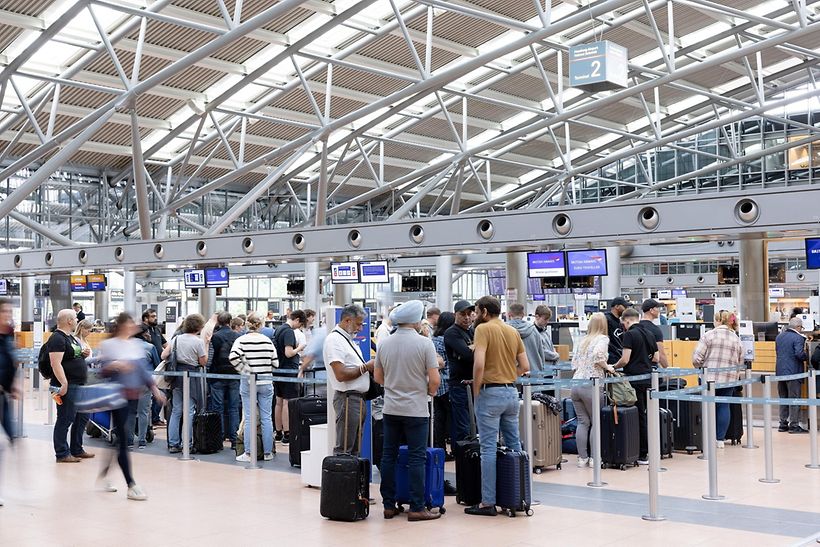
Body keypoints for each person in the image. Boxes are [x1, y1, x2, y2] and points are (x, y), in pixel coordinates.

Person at [374, 300, 441, 522]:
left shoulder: (384, 343)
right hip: (416, 410)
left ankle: (388, 505)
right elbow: (434, 380)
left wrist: (395, 386)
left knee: (388, 456)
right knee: (416, 457)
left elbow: (378, 377)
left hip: (391, 408)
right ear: (416, 321)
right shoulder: (424, 344)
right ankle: (417, 507)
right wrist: (426, 391)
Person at [466, 296, 529, 517]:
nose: (475, 315)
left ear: (484, 311)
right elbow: (525, 366)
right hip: (511, 392)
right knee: (514, 445)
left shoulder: (483, 330)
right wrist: (508, 374)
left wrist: (477, 389)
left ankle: (488, 502)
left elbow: (479, 364)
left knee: (488, 449)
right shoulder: (512, 331)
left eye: (476, 311)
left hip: (490, 393)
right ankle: (519, 497)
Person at [95, 313, 166, 500]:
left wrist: (155, 389)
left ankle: (104, 475)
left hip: (133, 397)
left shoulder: (135, 345)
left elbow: (143, 371)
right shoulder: (110, 345)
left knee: (120, 438)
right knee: (123, 439)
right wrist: (114, 366)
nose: (133, 326)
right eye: (129, 323)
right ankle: (131, 484)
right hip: (116, 396)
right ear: (121, 326)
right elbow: (101, 372)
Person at [323, 305, 374, 455]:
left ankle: (352, 471)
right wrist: (365, 367)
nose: (360, 328)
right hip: (348, 399)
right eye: (358, 324)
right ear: (347, 320)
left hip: (356, 399)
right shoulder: (334, 340)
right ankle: (341, 471)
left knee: (354, 448)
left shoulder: (347, 340)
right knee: (345, 448)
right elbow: (340, 374)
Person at [692, 310, 744, 448]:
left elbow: (696, 358)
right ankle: (719, 439)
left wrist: (700, 366)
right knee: (723, 406)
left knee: (707, 406)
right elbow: (741, 361)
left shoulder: (708, 335)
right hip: (729, 379)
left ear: (719, 321)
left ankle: (707, 437)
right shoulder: (736, 338)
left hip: (708, 378)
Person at [613, 307, 658, 465]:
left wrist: (613, 367)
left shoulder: (629, 334)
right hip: (647, 379)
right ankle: (650, 450)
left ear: (626, 321)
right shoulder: (650, 334)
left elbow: (625, 359)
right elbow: (656, 358)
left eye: (623, 324)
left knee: (638, 416)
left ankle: (642, 453)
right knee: (646, 414)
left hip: (633, 381)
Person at [229, 313, 277, 461]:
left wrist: (245, 371)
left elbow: (233, 357)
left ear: (247, 324)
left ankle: (249, 453)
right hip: (266, 381)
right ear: (261, 325)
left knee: (249, 417)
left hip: (248, 382)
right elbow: (275, 363)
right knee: (266, 417)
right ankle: (268, 452)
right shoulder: (267, 340)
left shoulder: (241, 340)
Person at [570, 313, 615, 467]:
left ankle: (582, 458)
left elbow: (574, 363)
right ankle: (594, 458)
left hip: (576, 383)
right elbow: (598, 355)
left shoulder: (583, 340)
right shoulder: (603, 339)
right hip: (591, 384)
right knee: (596, 422)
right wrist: (607, 367)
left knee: (582, 422)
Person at [49, 309, 93, 463]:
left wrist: (83, 355)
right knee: (65, 418)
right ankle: (62, 453)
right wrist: (64, 383)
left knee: (82, 417)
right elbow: (55, 363)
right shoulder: (57, 338)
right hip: (67, 385)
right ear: (69, 321)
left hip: (78, 384)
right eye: (75, 318)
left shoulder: (70, 338)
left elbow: (71, 357)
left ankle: (77, 449)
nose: (77, 320)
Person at [161, 313, 207, 454]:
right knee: (189, 411)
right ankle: (187, 443)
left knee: (176, 410)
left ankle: (173, 443)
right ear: (199, 327)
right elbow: (203, 362)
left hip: (176, 377)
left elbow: (164, 355)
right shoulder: (198, 342)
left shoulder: (176, 339)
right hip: (191, 376)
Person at [209, 315, 244, 449]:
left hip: (217, 375)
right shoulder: (237, 336)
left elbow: (211, 357)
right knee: (234, 408)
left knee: (217, 408)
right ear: (230, 322)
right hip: (234, 375)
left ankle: (219, 439)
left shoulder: (215, 337)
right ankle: (235, 440)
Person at [272, 309, 307, 444]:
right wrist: (300, 347)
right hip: (288, 370)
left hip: (278, 369)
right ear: (297, 319)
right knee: (287, 402)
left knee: (279, 402)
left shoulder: (278, 329)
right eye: (300, 324)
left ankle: (278, 432)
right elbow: (289, 353)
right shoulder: (289, 332)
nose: (299, 327)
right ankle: (287, 433)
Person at [444, 300, 475, 443]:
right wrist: (477, 347)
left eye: (469, 314)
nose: (467, 317)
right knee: (463, 426)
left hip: (473, 384)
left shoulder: (471, 331)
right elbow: (468, 355)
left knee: (474, 424)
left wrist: (474, 348)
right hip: (460, 385)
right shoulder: (452, 332)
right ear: (455, 314)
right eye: (463, 314)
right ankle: (462, 454)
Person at [775, 317, 809, 434]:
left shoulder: (779, 337)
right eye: (801, 328)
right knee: (794, 398)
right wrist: (807, 356)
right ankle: (794, 425)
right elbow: (799, 354)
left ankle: (783, 424)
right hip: (793, 372)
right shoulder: (798, 337)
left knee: (783, 398)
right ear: (798, 327)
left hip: (780, 372)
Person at [132, 325, 160, 449]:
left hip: (128, 382)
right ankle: (142, 440)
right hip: (144, 382)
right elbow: (157, 365)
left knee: (130, 412)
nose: (149, 334)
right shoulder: (150, 347)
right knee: (143, 412)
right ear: (143, 334)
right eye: (148, 332)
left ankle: (129, 440)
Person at [431, 312, 455, 458]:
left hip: (435, 384)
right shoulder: (449, 340)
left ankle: (440, 450)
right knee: (452, 419)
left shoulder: (432, 340)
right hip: (448, 383)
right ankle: (455, 449)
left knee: (438, 419)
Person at [142, 309, 167, 426]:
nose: (155, 318)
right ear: (145, 318)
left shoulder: (156, 330)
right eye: (152, 316)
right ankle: (150, 421)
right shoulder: (142, 331)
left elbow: (165, 344)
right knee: (152, 394)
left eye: (155, 316)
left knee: (161, 390)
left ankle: (155, 418)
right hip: (148, 367)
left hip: (158, 365)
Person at [506, 303, 545, 374]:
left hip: (510, 374)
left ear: (509, 314)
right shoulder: (533, 330)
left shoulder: (502, 331)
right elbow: (541, 353)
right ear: (523, 314)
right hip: (533, 374)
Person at [636, 299, 669, 368]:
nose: (659, 310)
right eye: (657, 308)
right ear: (651, 310)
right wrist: (667, 368)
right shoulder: (655, 330)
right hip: (650, 368)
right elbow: (661, 354)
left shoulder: (635, 327)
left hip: (636, 366)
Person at [605, 297, 628, 365]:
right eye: (624, 306)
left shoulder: (619, 321)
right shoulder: (606, 319)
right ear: (617, 306)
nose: (626, 309)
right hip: (610, 358)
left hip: (619, 357)